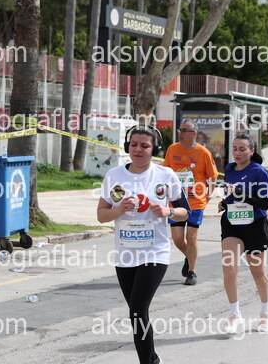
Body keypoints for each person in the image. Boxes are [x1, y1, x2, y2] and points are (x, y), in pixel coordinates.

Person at [97, 125, 190, 364]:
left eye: (145, 146)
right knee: (137, 314)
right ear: (127, 146)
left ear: (155, 149)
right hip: (125, 254)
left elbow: (185, 212)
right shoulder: (114, 175)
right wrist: (118, 210)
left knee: (138, 309)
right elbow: (101, 215)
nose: (138, 150)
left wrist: (168, 211)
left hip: (155, 252)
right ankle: (152, 358)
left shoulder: (165, 175)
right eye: (134, 145)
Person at [217, 133, 268, 334]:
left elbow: (264, 203)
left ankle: (265, 312)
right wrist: (225, 203)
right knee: (229, 269)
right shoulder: (229, 169)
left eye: (242, 149)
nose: (237, 153)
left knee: (257, 272)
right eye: (234, 149)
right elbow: (231, 196)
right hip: (232, 224)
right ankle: (235, 314)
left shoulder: (259, 172)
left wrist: (240, 194)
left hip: (254, 225)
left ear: (251, 151)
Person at [163, 119, 218, 285]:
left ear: (194, 134)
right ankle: (189, 256)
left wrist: (207, 197)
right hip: (176, 201)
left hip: (196, 202)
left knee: (191, 237)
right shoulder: (172, 149)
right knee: (178, 239)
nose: (180, 133)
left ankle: (192, 271)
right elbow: (166, 172)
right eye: (180, 130)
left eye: (184, 130)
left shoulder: (203, 153)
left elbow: (212, 177)